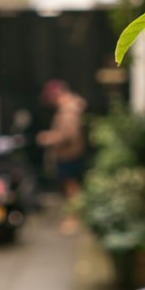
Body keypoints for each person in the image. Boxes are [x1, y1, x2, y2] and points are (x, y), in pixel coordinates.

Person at [37, 80, 86, 232]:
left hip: (68, 154)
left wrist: (49, 138)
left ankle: (73, 219)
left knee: (71, 188)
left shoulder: (68, 111)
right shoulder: (70, 108)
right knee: (70, 187)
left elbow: (69, 135)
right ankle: (72, 217)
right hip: (68, 154)